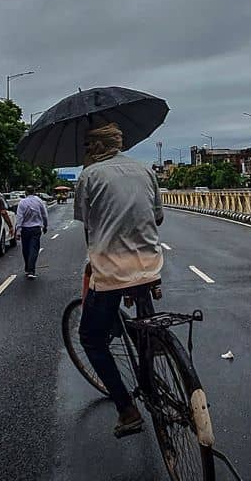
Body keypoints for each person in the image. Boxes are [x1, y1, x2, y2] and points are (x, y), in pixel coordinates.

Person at [75, 122, 164, 438]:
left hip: (111, 270)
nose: (86, 151)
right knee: (145, 323)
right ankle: (152, 346)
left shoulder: (89, 176)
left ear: (97, 147)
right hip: (150, 265)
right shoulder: (145, 170)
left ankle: (127, 410)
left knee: (91, 338)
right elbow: (157, 217)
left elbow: (87, 224)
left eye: (88, 146)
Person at [14, 187, 49, 278]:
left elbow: (19, 217)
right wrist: (45, 225)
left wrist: (18, 231)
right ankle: (31, 270)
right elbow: (44, 215)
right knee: (33, 249)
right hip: (35, 228)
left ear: (25, 192)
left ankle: (28, 268)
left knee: (25, 249)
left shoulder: (22, 202)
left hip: (25, 229)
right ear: (34, 192)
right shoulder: (39, 201)